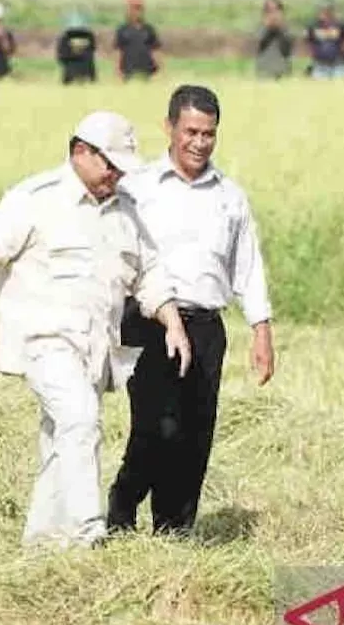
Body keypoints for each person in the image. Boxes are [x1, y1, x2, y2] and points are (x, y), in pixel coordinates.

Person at [0, 111, 192, 550]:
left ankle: (45, 544)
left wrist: (174, 323)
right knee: (80, 420)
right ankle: (88, 532)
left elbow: (148, 276)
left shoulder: (126, 211)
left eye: (121, 166)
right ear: (79, 152)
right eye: (109, 163)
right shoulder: (34, 199)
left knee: (61, 437)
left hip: (95, 349)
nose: (116, 174)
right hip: (43, 341)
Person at [107, 84, 275, 538]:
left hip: (205, 328)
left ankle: (173, 533)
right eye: (191, 132)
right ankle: (121, 510)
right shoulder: (135, 188)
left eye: (209, 134)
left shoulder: (230, 196)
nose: (200, 143)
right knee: (156, 427)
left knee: (194, 436)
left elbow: (248, 265)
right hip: (147, 323)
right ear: (169, 128)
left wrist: (261, 330)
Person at [114, 0, 162, 81]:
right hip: (128, 71)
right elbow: (118, 52)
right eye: (133, 8)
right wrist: (118, 70)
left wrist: (160, 70)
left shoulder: (149, 29)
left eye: (139, 9)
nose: (136, 12)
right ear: (128, 10)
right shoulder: (122, 30)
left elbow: (155, 50)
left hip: (147, 71)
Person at [304, 5, 344, 79]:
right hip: (320, 65)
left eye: (326, 13)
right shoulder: (313, 26)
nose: (323, 15)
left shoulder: (340, 25)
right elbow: (308, 40)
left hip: (338, 64)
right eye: (321, 12)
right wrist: (313, 52)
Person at [255, 0, 294, 80]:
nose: (273, 13)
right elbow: (256, 42)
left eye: (276, 9)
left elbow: (289, 44)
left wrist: (281, 28)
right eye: (269, 10)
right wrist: (266, 27)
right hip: (265, 71)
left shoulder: (286, 26)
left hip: (282, 71)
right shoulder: (260, 26)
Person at [56, 12, 97, 84]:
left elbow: (92, 51)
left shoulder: (89, 36)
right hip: (71, 71)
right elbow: (62, 54)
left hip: (85, 70)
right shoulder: (65, 37)